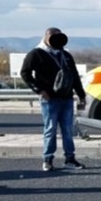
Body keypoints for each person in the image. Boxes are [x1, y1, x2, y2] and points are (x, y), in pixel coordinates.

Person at [20, 27, 87, 172]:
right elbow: (25, 73)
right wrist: (39, 90)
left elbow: (74, 75)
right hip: (49, 99)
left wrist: (81, 95)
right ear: (46, 37)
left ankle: (70, 158)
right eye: (53, 37)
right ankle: (48, 159)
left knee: (67, 130)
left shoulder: (65, 55)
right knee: (50, 129)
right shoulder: (36, 54)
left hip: (66, 97)